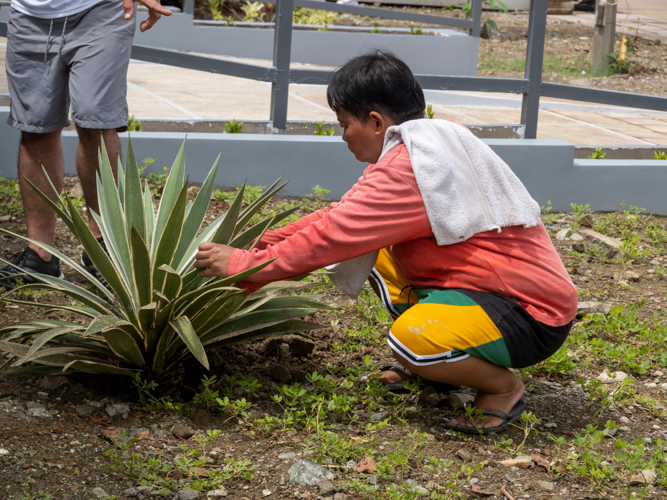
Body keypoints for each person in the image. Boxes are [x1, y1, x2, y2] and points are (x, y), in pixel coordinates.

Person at [193, 51, 578, 434]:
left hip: (530, 314)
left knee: (410, 341)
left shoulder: (407, 169)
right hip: (501, 289)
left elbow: (329, 238)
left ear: (375, 122)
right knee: (374, 255)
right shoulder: (431, 142)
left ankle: (502, 389)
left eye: (344, 124)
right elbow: (341, 216)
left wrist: (243, 264)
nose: (342, 136)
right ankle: (443, 367)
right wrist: (258, 242)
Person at [0, 0, 171, 289]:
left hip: (101, 10)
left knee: (96, 123)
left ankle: (104, 250)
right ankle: (40, 258)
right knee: (36, 129)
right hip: (30, 16)